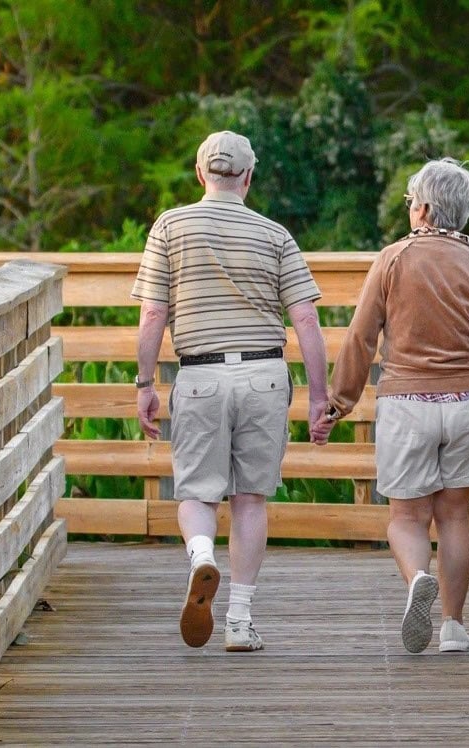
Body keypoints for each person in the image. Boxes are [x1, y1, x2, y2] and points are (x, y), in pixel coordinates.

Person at [132, 130, 329, 652]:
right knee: (249, 499)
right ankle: (240, 622)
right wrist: (319, 396)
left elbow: (153, 312)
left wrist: (145, 383)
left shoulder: (170, 227)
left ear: (201, 174)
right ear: (248, 177)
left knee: (197, 491)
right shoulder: (275, 234)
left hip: (199, 375)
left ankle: (201, 555)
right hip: (264, 376)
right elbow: (306, 317)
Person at [315, 158, 469, 654]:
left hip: (408, 401)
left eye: (411, 203)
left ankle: (415, 582)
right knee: (455, 516)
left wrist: (337, 403)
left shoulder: (391, 259)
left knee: (407, 518)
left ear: (424, 208)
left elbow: (362, 338)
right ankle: (453, 626)